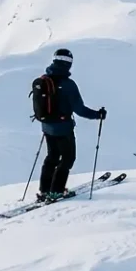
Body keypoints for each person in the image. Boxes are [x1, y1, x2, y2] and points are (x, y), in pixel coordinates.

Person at [36, 48, 106, 201]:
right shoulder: (68, 84)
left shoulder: (44, 80)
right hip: (63, 128)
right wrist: (97, 115)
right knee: (68, 158)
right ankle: (56, 191)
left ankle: (45, 190)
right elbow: (79, 109)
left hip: (47, 126)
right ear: (68, 64)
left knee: (52, 157)